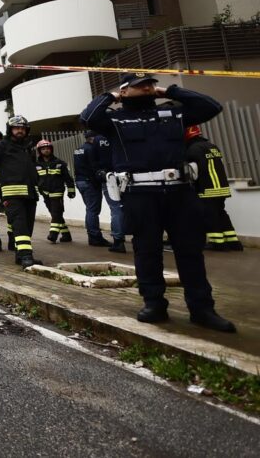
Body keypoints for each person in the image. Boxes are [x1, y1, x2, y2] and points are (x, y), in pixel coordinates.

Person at [81, 73, 235, 332]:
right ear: (125, 91)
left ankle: (202, 309)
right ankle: (154, 303)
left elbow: (211, 106)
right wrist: (112, 96)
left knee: (190, 252)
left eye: (149, 84)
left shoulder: (173, 113)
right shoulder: (116, 120)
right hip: (140, 195)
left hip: (179, 192)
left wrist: (170, 91)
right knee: (147, 251)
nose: (146, 88)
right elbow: (87, 117)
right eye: (139, 86)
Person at [0, 115, 41, 268]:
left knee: (28, 225)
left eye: (22, 128)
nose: (20, 131)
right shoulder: (2, 145)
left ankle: (19, 254)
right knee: (20, 224)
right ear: (10, 130)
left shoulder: (27, 147)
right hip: (12, 193)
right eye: (16, 128)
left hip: (30, 193)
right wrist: (1, 180)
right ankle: (26, 257)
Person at [185, 126, 244, 251]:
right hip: (221, 188)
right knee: (221, 214)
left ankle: (218, 244)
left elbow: (193, 172)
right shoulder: (212, 146)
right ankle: (234, 242)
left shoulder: (192, 150)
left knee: (210, 216)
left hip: (207, 189)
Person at [35, 140, 76, 243]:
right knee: (55, 214)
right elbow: (35, 180)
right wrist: (37, 191)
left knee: (56, 212)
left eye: (48, 148)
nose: (46, 150)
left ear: (51, 149)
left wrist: (71, 190)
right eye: (43, 149)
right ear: (39, 151)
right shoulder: (36, 165)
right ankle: (66, 235)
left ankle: (53, 234)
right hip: (45, 193)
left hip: (57, 192)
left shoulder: (60, 163)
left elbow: (68, 178)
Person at [74, 131, 110, 246]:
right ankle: (95, 237)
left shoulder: (78, 149)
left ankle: (92, 236)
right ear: (93, 138)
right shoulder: (91, 149)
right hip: (89, 182)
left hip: (80, 181)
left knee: (89, 209)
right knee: (93, 210)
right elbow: (94, 167)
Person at [93, 132, 127, 253]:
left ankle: (118, 241)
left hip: (109, 177)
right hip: (126, 175)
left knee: (116, 209)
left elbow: (95, 159)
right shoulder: (121, 132)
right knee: (131, 207)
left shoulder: (98, 139)